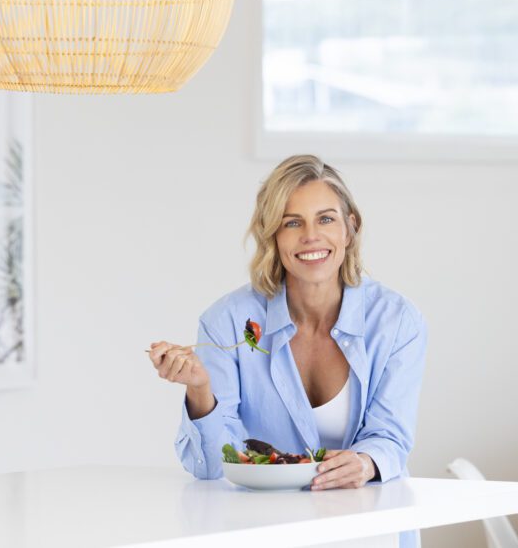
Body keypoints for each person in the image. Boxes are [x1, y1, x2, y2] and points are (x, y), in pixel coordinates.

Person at [148, 154, 427, 548]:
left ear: (351, 228)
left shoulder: (397, 321)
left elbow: (390, 438)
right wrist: (200, 389)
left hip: (369, 529)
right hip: (265, 533)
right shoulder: (227, 321)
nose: (310, 236)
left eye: (326, 219)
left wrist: (365, 462)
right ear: (272, 236)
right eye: (291, 222)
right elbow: (209, 466)